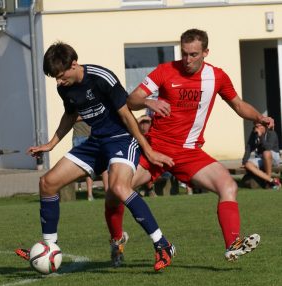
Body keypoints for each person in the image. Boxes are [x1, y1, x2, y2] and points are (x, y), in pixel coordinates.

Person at [15, 41, 175, 271]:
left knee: (119, 189)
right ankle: (50, 247)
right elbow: (70, 116)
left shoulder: (102, 78)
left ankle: (163, 244)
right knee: (47, 183)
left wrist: (147, 150)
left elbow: (128, 116)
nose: (59, 82)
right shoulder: (64, 87)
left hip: (121, 139)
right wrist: (51, 144)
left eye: (61, 76)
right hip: (95, 143)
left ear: (74, 64)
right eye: (55, 79)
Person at [124, 28, 275, 261]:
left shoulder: (217, 77)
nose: (187, 59)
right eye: (184, 53)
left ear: (205, 52)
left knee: (229, 187)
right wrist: (149, 101)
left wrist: (259, 117)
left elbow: (238, 104)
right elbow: (131, 100)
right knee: (117, 190)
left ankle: (233, 243)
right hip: (156, 149)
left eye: (193, 54)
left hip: (188, 152)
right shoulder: (165, 71)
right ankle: (117, 241)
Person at [242, 122, 281, 189]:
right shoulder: (254, 134)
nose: (255, 129)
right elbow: (249, 147)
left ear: (264, 126)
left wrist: (261, 137)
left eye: (257, 126)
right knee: (247, 164)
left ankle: (267, 184)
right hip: (261, 158)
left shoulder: (271, 133)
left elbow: (268, 148)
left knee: (266, 153)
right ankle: (270, 180)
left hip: (273, 157)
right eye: (254, 127)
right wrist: (244, 160)